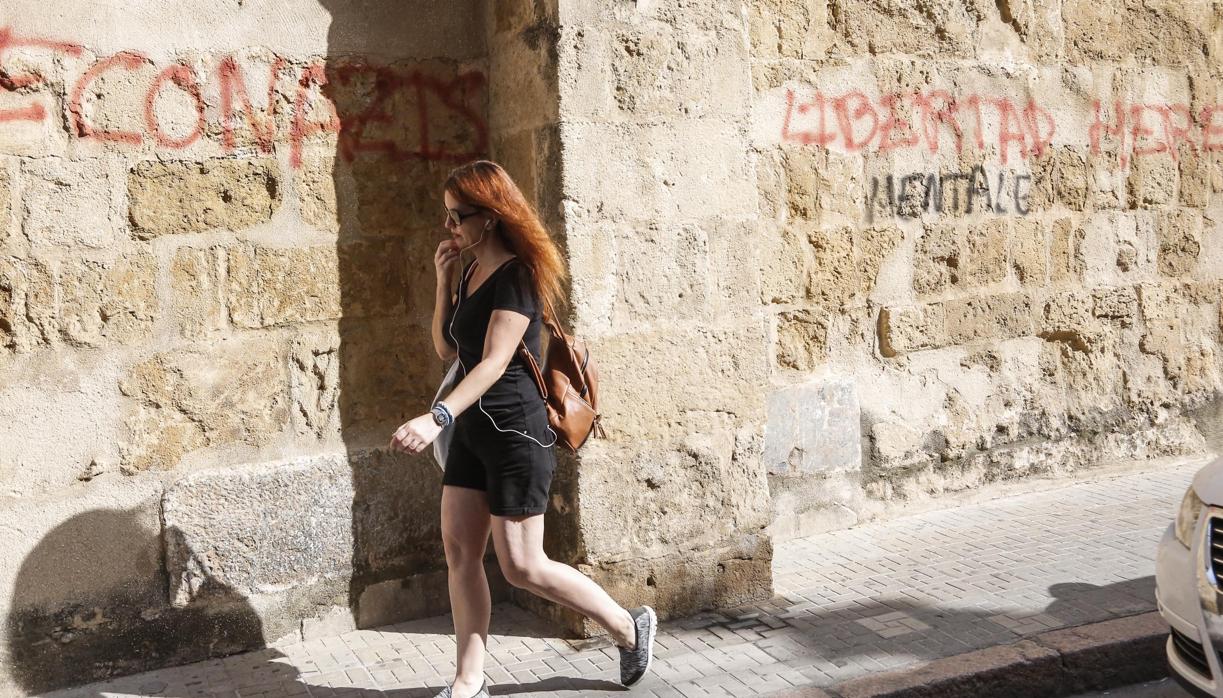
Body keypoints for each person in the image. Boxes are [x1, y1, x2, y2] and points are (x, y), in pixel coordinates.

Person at [390, 160, 657, 698]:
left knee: (522, 567)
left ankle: (629, 628)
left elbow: (491, 364)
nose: (449, 228)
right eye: (447, 217)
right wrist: (443, 282)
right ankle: (469, 680)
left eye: (457, 217)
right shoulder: (470, 271)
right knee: (461, 553)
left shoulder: (518, 276)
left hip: (517, 435)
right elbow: (451, 350)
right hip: (472, 435)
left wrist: (436, 415)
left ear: (489, 217)